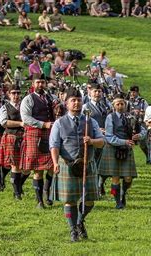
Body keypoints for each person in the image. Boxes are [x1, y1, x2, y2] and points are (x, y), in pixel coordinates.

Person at [50, 87, 105, 242]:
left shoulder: (90, 121)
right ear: (66, 103)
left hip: (87, 164)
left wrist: (92, 141)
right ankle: (73, 229)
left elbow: (102, 142)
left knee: (89, 200)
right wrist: (55, 163)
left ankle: (80, 221)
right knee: (70, 200)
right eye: (73, 100)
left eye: (79, 100)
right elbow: (54, 145)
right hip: (68, 164)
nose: (76, 103)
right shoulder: (59, 123)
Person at [101, 94, 146, 209]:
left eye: (122, 103)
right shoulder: (110, 117)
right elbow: (109, 137)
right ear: (113, 106)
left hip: (127, 149)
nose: (120, 106)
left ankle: (123, 193)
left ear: (125, 105)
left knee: (128, 178)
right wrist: (124, 142)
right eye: (118, 104)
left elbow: (144, 130)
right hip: (113, 149)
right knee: (115, 177)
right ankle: (118, 202)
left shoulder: (131, 117)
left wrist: (139, 135)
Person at [20, 76, 56, 208]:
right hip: (34, 134)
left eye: (42, 82)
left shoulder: (49, 97)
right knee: (38, 170)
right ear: (33, 84)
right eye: (38, 82)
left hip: (49, 134)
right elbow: (25, 118)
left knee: (52, 167)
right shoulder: (28, 99)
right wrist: (43, 124)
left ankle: (47, 193)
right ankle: (39, 200)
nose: (41, 84)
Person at [0, 84, 28, 200]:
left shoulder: (25, 105)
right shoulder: (4, 107)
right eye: (13, 93)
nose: (16, 95)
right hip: (11, 137)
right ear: (8, 94)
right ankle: (17, 193)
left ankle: (19, 185)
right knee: (15, 165)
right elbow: (4, 122)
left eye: (18, 93)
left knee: (27, 167)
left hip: (25, 137)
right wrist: (20, 124)